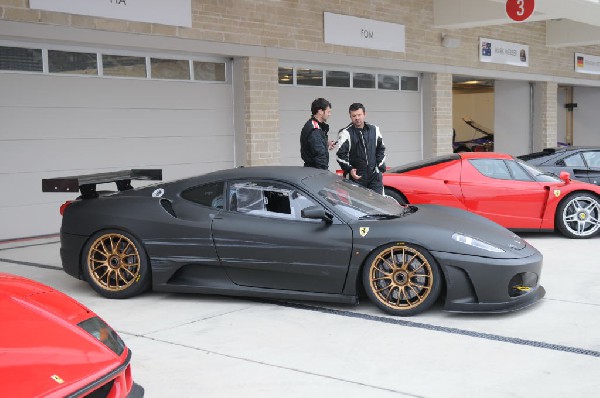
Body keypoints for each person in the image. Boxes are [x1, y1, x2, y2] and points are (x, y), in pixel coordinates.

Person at [336, 103, 386, 194]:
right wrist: (349, 169)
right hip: (356, 177)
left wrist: (379, 168)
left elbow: (381, 149)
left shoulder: (374, 129)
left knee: (380, 204)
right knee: (357, 206)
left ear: (364, 114)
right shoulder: (345, 133)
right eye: (354, 115)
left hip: (374, 176)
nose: (357, 118)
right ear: (350, 117)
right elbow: (340, 155)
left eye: (359, 115)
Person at [300, 98, 336, 169]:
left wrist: (325, 144)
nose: (330, 114)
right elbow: (320, 156)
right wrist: (324, 174)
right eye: (328, 112)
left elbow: (314, 147)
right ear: (320, 111)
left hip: (312, 170)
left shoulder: (314, 125)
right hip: (315, 172)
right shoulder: (315, 129)